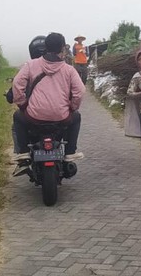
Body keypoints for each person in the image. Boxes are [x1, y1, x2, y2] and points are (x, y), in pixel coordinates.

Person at [11, 33, 86, 175]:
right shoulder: (69, 70)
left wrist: (22, 104)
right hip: (61, 117)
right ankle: (70, 152)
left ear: (45, 47)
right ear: (63, 49)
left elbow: (17, 84)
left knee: (18, 117)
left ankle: (24, 153)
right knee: (76, 117)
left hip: (34, 117)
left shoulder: (31, 65)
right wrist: (72, 107)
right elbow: (80, 91)